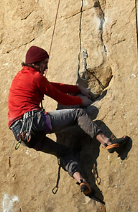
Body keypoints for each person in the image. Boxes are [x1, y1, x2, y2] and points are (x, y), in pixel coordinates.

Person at [7, 45, 129, 194]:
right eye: (44, 63)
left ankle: (81, 181)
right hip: (34, 120)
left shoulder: (22, 76)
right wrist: (81, 100)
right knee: (78, 114)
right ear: (36, 63)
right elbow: (58, 96)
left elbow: (52, 86)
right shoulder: (36, 77)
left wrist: (77, 89)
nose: (46, 68)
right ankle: (107, 142)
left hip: (21, 134)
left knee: (63, 153)